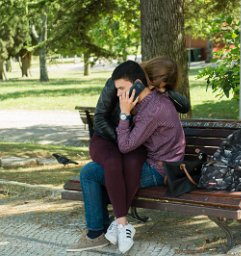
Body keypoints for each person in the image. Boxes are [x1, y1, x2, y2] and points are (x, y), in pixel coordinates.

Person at [67, 57, 188, 253]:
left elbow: (125, 145)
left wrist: (124, 113)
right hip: (158, 161)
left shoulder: (153, 107)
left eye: (122, 89)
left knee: (90, 174)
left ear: (142, 84)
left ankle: (101, 231)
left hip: (159, 169)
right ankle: (110, 226)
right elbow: (105, 119)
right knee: (102, 170)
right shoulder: (147, 97)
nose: (118, 94)